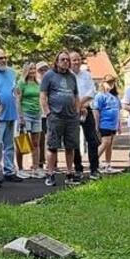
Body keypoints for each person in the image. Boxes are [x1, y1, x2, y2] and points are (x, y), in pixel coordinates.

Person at [40, 51, 81, 186]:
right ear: (56, 61)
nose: (65, 62)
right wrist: (48, 113)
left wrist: (77, 112)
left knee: (71, 146)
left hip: (71, 118)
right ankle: (50, 174)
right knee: (52, 146)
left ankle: (70, 173)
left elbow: (76, 96)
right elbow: (43, 96)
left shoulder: (72, 77)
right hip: (55, 116)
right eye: (62, 59)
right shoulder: (49, 76)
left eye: (67, 60)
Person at [0, 49, 23, 182]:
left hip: (11, 111)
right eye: (0, 58)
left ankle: (9, 170)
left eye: (5, 58)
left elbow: (14, 90)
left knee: (9, 144)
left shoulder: (11, 72)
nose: (3, 60)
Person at [70, 51, 101, 180]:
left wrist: (81, 104)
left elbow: (92, 91)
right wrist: (77, 106)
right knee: (74, 141)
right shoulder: (67, 77)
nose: (76, 62)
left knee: (92, 140)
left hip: (86, 109)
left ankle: (94, 169)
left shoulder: (87, 75)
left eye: (78, 60)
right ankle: (78, 168)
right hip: (72, 111)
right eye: (73, 60)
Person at [16, 62, 44, 178]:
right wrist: (20, 116)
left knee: (36, 143)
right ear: (26, 70)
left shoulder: (38, 83)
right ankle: (20, 168)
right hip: (25, 114)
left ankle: (36, 167)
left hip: (36, 114)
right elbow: (18, 99)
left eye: (34, 68)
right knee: (22, 141)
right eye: (31, 68)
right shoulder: (22, 83)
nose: (33, 70)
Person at [93, 75, 121, 173]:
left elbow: (118, 111)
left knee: (110, 145)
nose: (110, 84)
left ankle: (108, 164)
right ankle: (93, 161)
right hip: (104, 123)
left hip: (113, 124)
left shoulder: (115, 96)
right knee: (105, 142)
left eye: (112, 82)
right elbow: (96, 110)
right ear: (103, 83)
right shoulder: (100, 95)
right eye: (108, 82)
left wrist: (119, 125)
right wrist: (96, 124)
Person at [35, 61, 50, 170]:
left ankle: (52, 162)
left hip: (49, 113)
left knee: (51, 139)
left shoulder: (51, 81)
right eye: (41, 70)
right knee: (39, 140)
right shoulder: (35, 83)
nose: (43, 72)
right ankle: (39, 162)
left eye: (45, 69)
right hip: (37, 114)